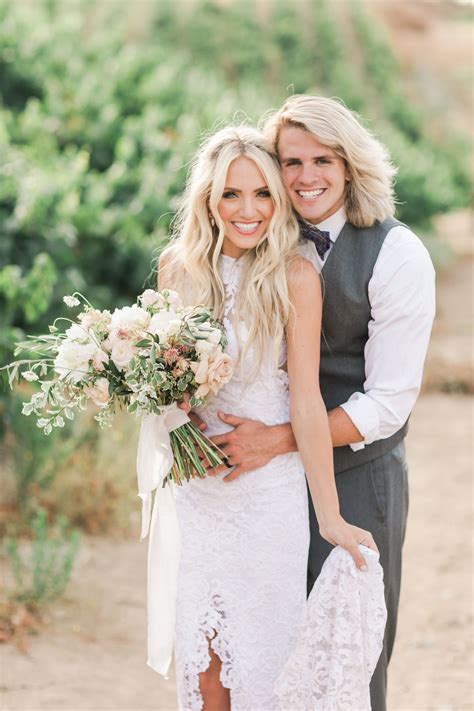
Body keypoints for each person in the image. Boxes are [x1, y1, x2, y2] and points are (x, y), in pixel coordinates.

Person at [204, 96, 436, 711]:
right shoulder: (251, 239)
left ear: (350, 166)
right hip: (263, 489)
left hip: (357, 476)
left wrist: (275, 439)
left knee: (346, 661)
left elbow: (388, 402)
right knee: (266, 653)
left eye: (323, 160)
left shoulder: (396, 253)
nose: (306, 176)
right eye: (291, 161)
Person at [157, 125, 377, 711]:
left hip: (266, 500)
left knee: (260, 665)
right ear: (209, 199)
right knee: (204, 669)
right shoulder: (176, 271)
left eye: (262, 195)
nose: (247, 210)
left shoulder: (294, 278)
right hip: (200, 491)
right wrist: (172, 410)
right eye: (231, 194)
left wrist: (328, 516)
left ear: (279, 203)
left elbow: (306, 401)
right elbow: (163, 386)